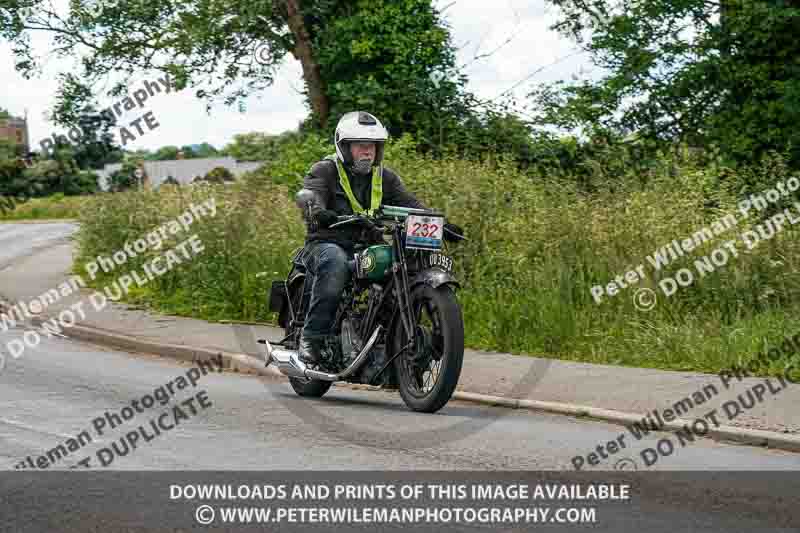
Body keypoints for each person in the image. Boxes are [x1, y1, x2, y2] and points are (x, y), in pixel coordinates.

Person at [294, 111, 463, 365]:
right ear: (345, 146)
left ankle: (388, 341)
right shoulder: (325, 171)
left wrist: (440, 223)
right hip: (326, 243)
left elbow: (411, 205)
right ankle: (311, 338)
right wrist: (317, 211)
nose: (368, 152)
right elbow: (310, 196)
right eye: (361, 146)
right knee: (335, 263)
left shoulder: (385, 177)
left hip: (367, 243)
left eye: (372, 146)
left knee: (401, 267)